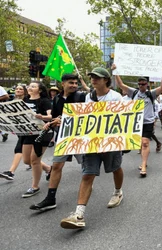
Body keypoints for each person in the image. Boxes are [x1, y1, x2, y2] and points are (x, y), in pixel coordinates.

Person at [60, 67, 124, 229]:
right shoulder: (88, 97)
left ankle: (118, 192)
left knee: (115, 168)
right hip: (91, 142)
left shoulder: (116, 97)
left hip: (110, 142)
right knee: (87, 175)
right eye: (92, 77)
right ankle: (79, 214)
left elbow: (125, 118)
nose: (93, 79)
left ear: (106, 80)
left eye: (97, 77)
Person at [29, 74, 86, 211]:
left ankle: (87, 186)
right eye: (70, 82)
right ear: (63, 84)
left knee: (87, 166)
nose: (73, 85)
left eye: (75, 83)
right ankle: (51, 198)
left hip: (80, 137)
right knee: (56, 166)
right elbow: (54, 117)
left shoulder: (81, 97)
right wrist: (50, 124)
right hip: (63, 137)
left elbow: (87, 116)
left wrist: (64, 119)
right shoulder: (57, 99)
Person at [114, 64, 162, 177]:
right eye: (139, 84)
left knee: (145, 143)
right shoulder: (133, 92)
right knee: (139, 144)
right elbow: (120, 84)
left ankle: (143, 166)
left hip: (148, 122)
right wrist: (115, 71)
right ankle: (144, 161)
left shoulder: (151, 94)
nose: (141, 86)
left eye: (143, 84)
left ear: (147, 84)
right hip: (136, 123)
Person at [21, 82, 53, 198]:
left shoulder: (44, 101)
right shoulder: (24, 100)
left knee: (34, 160)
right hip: (28, 132)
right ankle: (48, 168)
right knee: (26, 160)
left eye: (33, 86)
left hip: (43, 132)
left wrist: (42, 117)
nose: (30, 87)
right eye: (29, 86)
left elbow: (51, 116)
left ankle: (35, 187)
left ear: (39, 90)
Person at [0, 85, 30, 180]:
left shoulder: (28, 101)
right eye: (17, 89)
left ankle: (11, 172)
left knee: (19, 149)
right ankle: (48, 169)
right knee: (30, 157)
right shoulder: (11, 101)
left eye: (21, 89)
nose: (18, 90)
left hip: (29, 130)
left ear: (25, 91)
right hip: (18, 130)